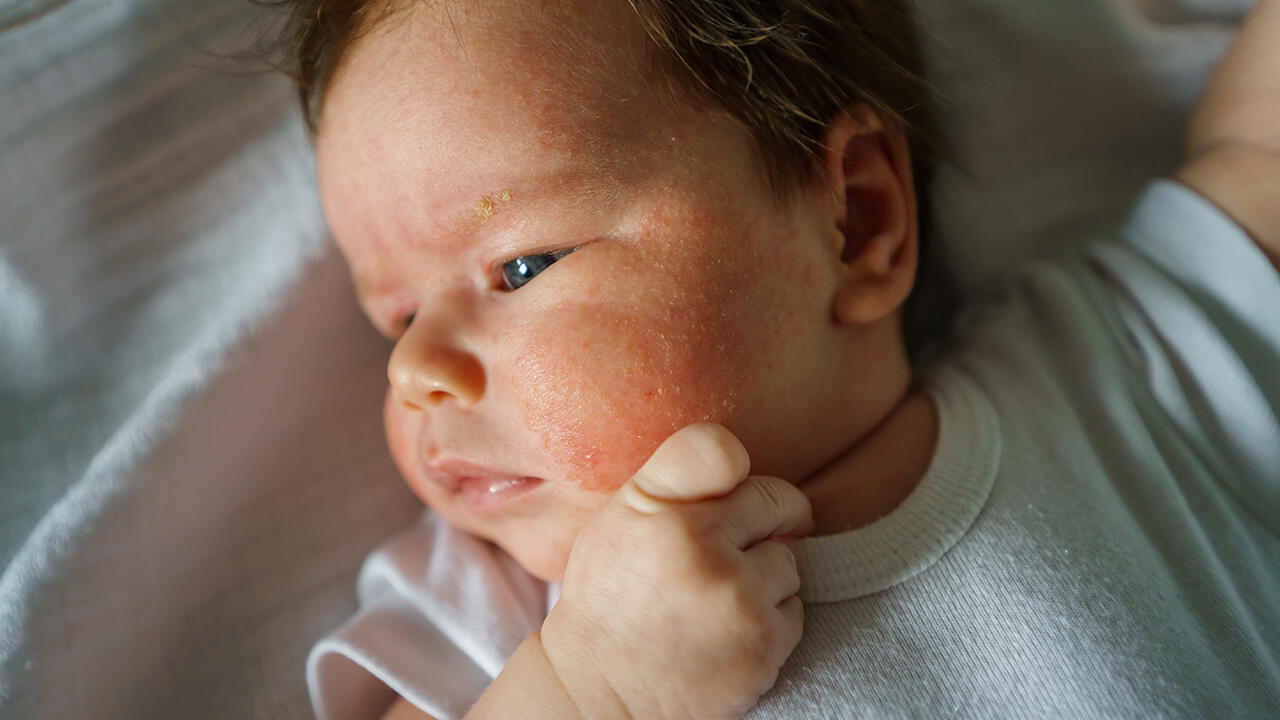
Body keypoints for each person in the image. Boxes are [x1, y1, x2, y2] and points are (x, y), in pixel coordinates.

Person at [283, 0, 1280, 717]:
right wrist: (591, 691)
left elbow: (1258, 155)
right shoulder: (500, 619)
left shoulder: (1104, 381)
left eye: (520, 265)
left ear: (855, 220)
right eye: (397, 315)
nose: (414, 368)